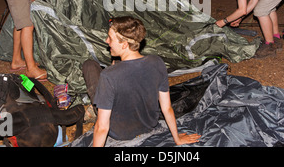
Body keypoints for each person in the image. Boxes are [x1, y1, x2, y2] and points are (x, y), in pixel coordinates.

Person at [82, 16, 201, 147]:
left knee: (89, 65)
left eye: (110, 38)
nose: (106, 41)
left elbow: (102, 127)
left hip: (120, 133)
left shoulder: (108, 76)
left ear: (124, 44)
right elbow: (166, 108)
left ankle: (99, 103)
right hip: (148, 125)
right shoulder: (157, 62)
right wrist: (177, 138)